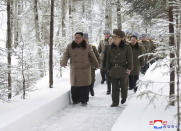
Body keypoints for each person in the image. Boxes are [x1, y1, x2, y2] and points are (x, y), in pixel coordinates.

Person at [61, 32, 99, 105]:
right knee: (75, 85)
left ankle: (84, 100)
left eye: (79, 37)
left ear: (82, 38)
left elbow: (92, 55)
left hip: (85, 69)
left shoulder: (87, 46)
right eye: (76, 37)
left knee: (84, 86)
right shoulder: (70, 46)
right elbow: (66, 55)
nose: (77, 39)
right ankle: (75, 99)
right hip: (75, 69)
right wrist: (64, 62)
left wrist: (96, 64)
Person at [106, 29, 133, 107]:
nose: (114, 39)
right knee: (114, 87)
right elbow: (107, 59)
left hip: (123, 70)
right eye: (113, 37)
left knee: (124, 86)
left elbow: (130, 59)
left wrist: (129, 69)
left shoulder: (127, 47)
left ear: (121, 38)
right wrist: (108, 69)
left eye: (116, 37)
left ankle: (124, 97)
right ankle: (115, 102)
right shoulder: (110, 47)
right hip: (113, 70)